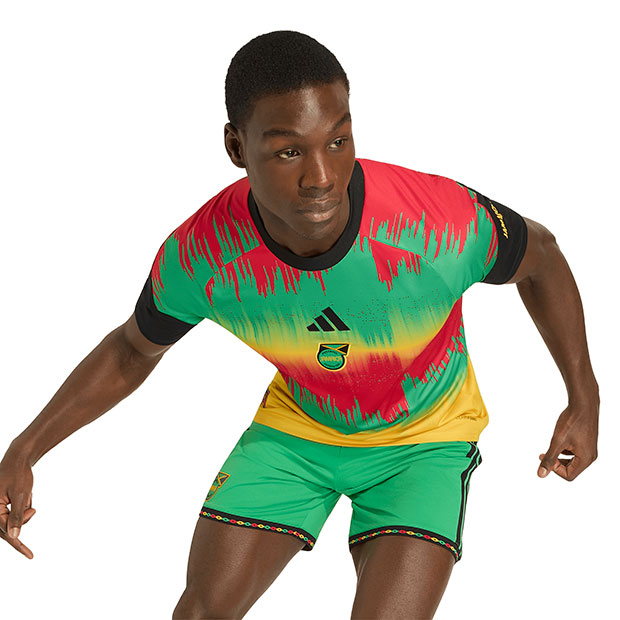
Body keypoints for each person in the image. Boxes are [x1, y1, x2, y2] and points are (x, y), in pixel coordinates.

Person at [0, 30, 599, 619]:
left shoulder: (435, 225)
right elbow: (132, 351)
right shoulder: (203, 257)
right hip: (300, 430)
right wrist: (25, 450)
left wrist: (584, 396)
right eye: (289, 151)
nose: (322, 177)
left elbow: (541, 258)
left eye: (338, 142)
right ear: (236, 147)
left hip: (423, 437)